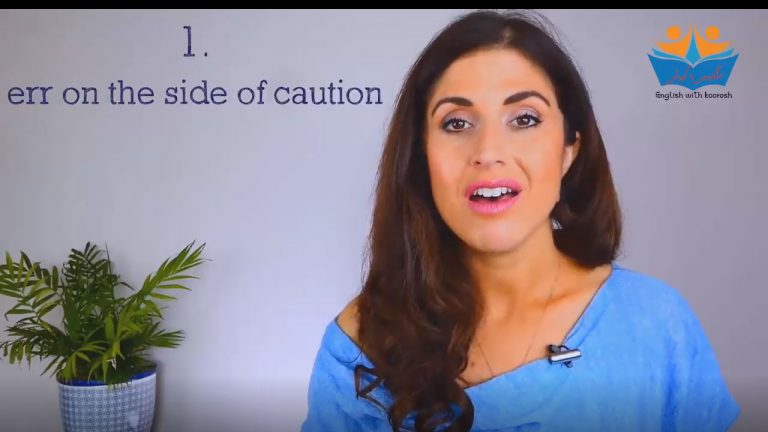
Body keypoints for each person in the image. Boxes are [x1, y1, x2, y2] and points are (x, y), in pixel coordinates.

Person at [300, 9, 740, 432]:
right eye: (456, 123)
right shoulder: (361, 347)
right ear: (420, 157)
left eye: (525, 119)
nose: (488, 152)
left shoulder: (656, 324)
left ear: (569, 149)